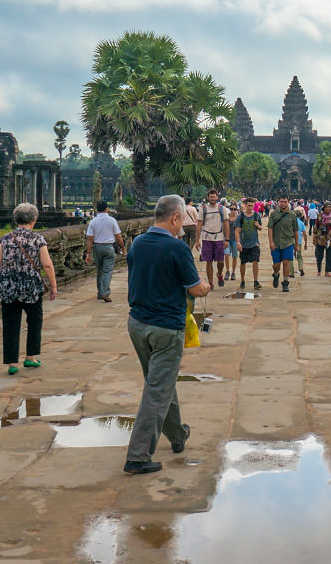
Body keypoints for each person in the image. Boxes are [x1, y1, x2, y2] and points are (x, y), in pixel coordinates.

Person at [124, 195, 211, 475]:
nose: (183, 226)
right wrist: (206, 287)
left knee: (160, 381)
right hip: (166, 327)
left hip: (138, 323)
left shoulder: (137, 243)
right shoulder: (176, 248)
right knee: (156, 390)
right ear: (175, 218)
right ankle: (138, 456)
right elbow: (195, 288)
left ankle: (176, 435)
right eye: (182, 221)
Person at [0, 203, 58, 375]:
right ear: (34, 220)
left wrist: (4, 279)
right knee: (35, 322)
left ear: (16, 219)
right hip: (31, 287)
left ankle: (12, 363)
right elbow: (47, 265)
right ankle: (31, 357)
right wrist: (53, 285)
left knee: (10, 324)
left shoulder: (6, 238)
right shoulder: (37, 239)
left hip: (9, 288)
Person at [84, 201, 124, 303]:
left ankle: (100, 292)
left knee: (100, 270)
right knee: (107, 270)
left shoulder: (93, 221)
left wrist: (88, 254)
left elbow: (89, 239)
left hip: (97, 247)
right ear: (106, 209)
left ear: (97, 209)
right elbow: (118, 236)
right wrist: (123, 248)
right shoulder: (112, 220)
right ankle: (105, 292)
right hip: (109, 247)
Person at [196, 188, 230, 288]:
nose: (212, 198)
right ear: (208, 198)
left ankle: (219, 274)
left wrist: (227, 239)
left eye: (214, 196)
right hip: (207, 238)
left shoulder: (222, 209)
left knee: (220, 261)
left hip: (219, 238)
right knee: (208, 261)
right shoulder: (203, 209)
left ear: (217, 197)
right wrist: (197, 240)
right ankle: (210, 283)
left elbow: (226, 224)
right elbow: (199, 224)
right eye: (211, 197)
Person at [267, 195, 298, 292]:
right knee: (276, 265)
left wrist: (297, 245)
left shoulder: (292, 215)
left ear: (288, 202)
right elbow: (270, 228)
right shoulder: (274, 214)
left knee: (286, 262)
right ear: (278, 202)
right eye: (281, 201)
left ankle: (285, 282)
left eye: (285, 201)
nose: (283, 204)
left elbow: (296, 230)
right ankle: (276, 274)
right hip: (276, 242)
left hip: (288, 242)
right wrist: (271, 242)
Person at [234, 198, 263, 290]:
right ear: (245, 205)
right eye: (249, 205)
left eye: (252, 205)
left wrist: (258, 226)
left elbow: (260, 227)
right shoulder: (240, 217)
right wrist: (238, 242)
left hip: (254, 243)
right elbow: (237, 231)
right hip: (244, 243)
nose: (250, 207)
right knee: (243, 262)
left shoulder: (256, 215)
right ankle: (242, 280)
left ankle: (255, 281)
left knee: (255, 261)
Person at [312, 202, 331, 277]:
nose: (328, 209)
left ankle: (327, 271)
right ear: (323, 208)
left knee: (330, 256)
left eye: (329, 207)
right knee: (319, 255)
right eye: (326, 207)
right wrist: (314, 237)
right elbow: (316, 227)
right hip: (320, 239)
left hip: (330, 239)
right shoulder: (319, 216)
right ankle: (319, 271)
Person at [225, 204, 240, 283]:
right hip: (227, 239)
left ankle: (233, 272)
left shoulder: (238, 218)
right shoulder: (226, 218)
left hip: (235, 240)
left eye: (234, 209)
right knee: (226, 254)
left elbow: (241, 229)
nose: (233, 211)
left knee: (234, 256)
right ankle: (227, 271)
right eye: (231, 209)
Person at [294, 206, 308, 277]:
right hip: (298, 241)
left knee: (290, 257)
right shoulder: (301, 223)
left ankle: (291, 272)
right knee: (299, 256)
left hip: (290, 241)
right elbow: (305, 235)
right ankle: (301, 268)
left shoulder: (290, 222)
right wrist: (305, 244)